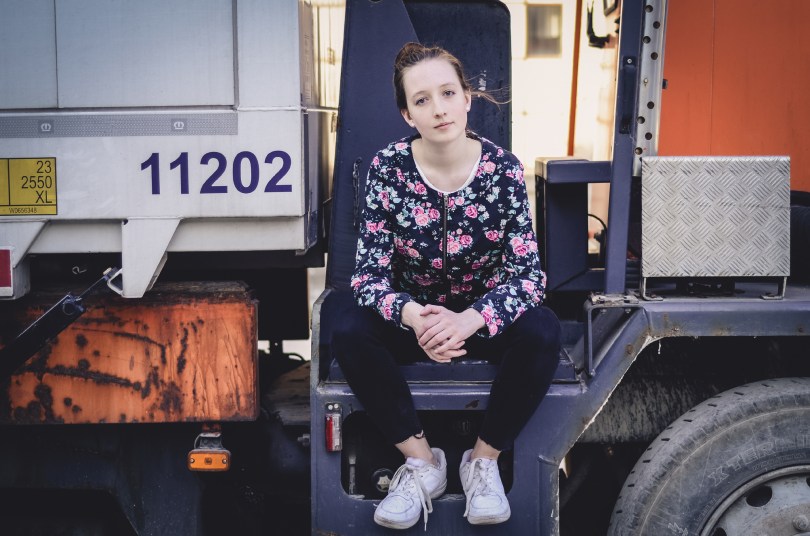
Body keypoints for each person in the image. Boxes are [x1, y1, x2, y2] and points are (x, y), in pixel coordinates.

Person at [332, 42, 561, 531]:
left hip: (479, 322)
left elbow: (528, 277)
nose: (438, 109)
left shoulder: (502, 170)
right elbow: (367, 276)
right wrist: (415, 318)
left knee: (542, 329)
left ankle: (482, 462)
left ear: (467, 99)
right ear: (407, 114)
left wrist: (469, 320)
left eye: (448, 93)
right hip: (414, 322)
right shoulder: (388, 169)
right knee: (349, 328)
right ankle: (422, 464)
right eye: (422, 100)